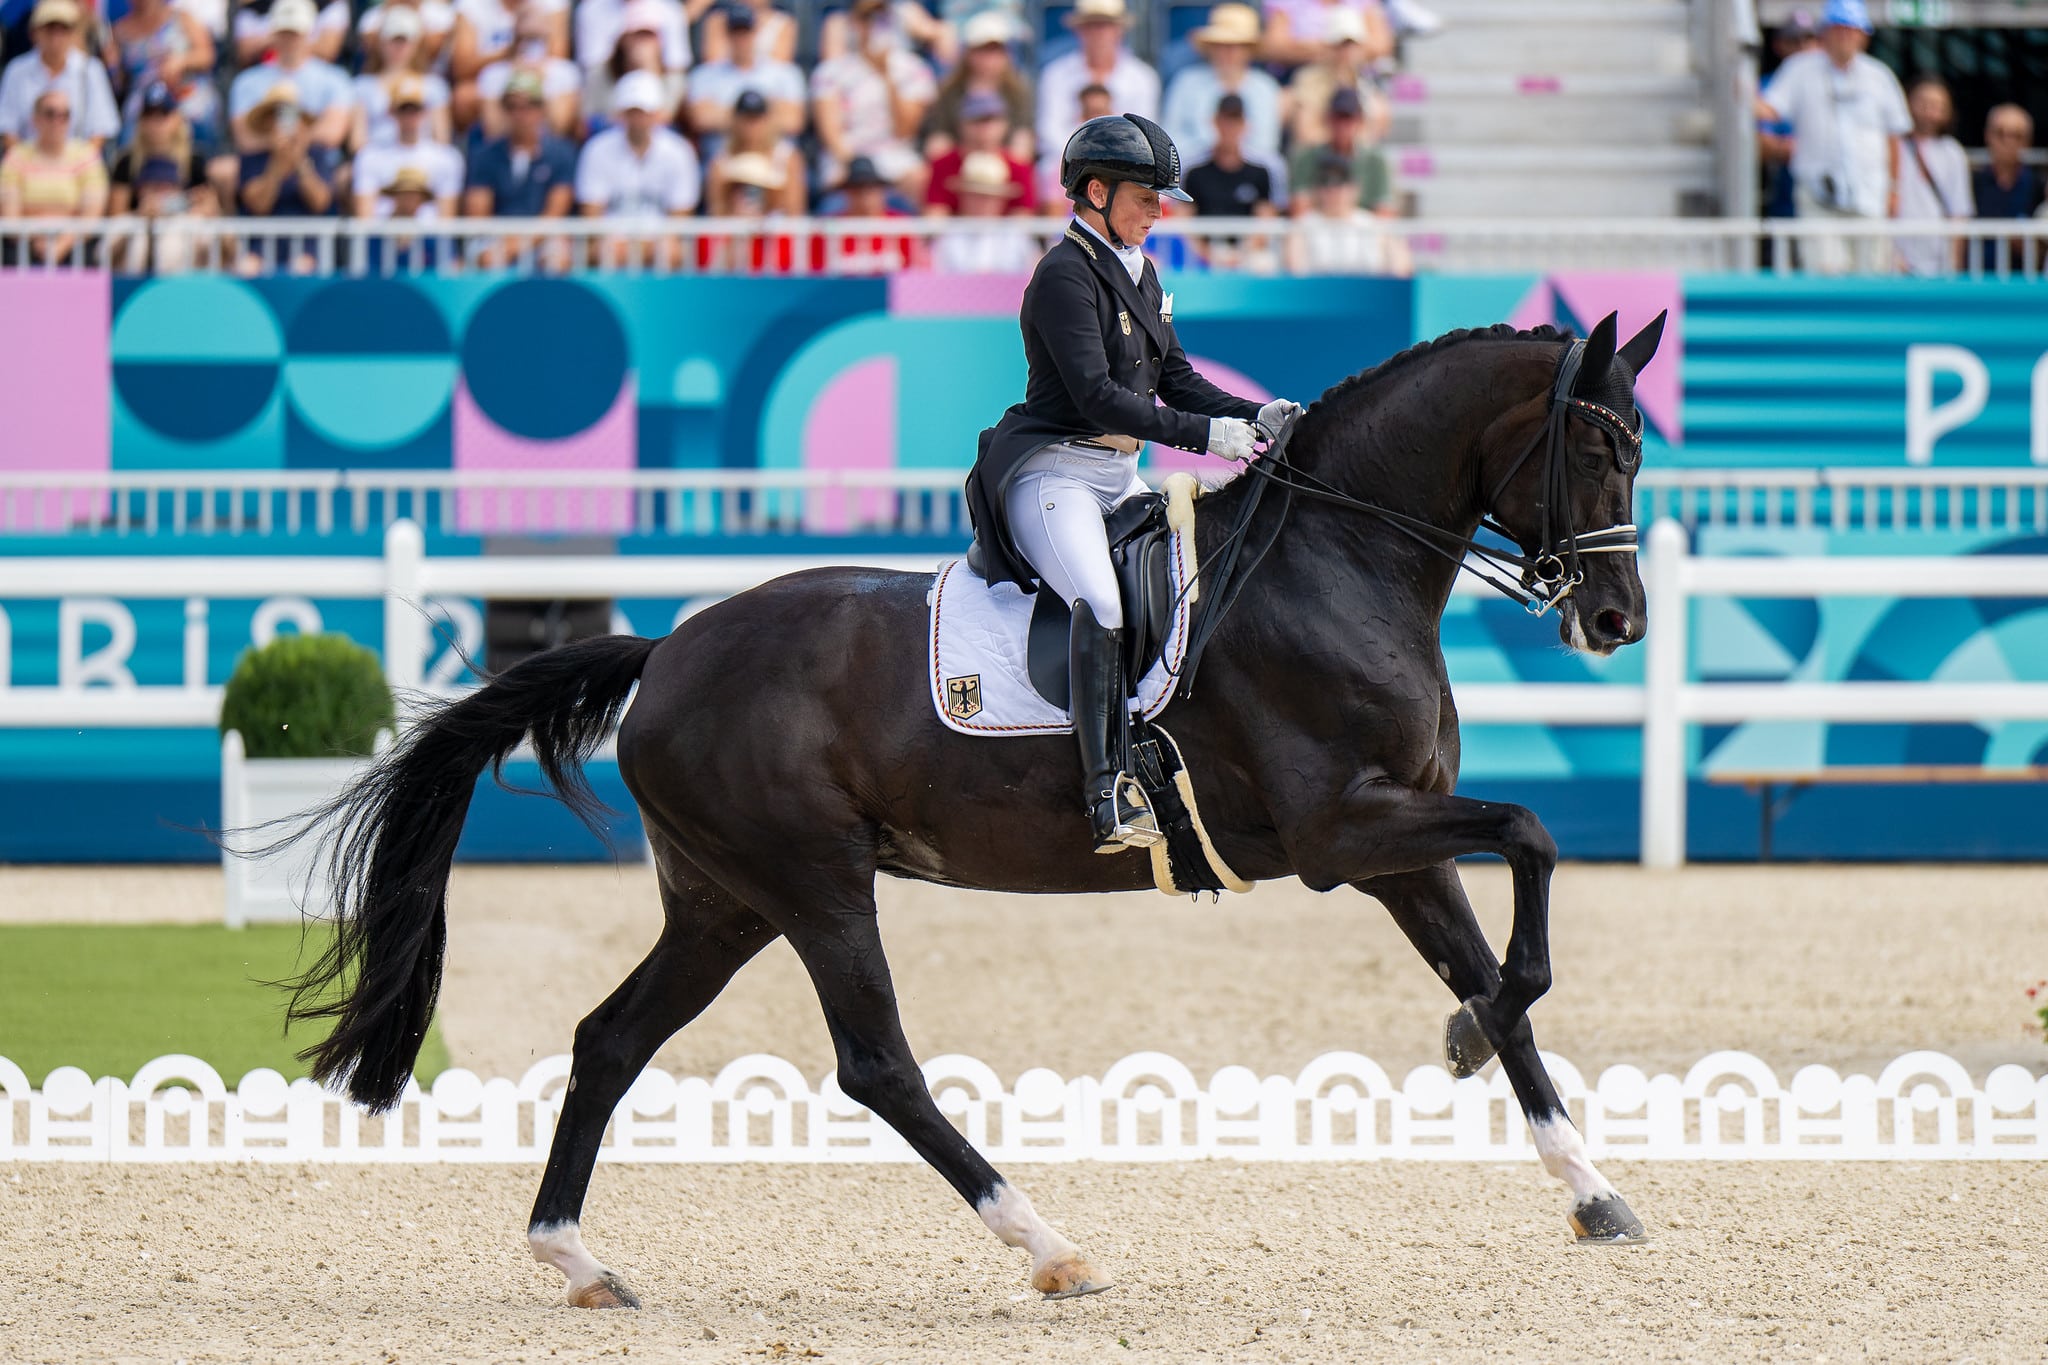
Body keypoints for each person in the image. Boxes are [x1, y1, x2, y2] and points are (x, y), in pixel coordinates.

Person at [964, 112, 1301, 852]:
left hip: (1119, 477)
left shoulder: (1140, 269)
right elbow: (1096, 397)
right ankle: (1104, 791)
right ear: (1095, 191)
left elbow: (1175, 379)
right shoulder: (1062, 274)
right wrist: (1206, 437)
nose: (1157, 212)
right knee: (1103, 603)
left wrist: (1255, 412)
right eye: (1146, 198)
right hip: (1054, 476)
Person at [1757, 0, 1908, 275]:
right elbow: (1770, 110)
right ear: (1824, 33)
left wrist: (1894, 189)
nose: (1844, 36)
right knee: (1824, 274)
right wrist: (1740, 90)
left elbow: (1893, 137)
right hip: (1817, 194)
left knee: (1872, 275)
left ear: (1864, 36)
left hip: (1870, 193)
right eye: (1838, 29)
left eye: (1851, 30)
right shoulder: (1799, 69)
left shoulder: (1880, 76)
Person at [575, 68, 699, 267]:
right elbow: (592, 217)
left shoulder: (679, 152)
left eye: (643, 112)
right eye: (632, 112)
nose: (638, 121)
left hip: (658, 242)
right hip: (613, 242)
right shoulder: (597, 150)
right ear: (621, 114)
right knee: (606, 251)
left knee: (667, 250)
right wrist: (629, 247)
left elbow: (680, 220)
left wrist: (640, 247)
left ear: (657, 113)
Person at [810, 0, 935, 198]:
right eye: (868, 18)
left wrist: (886, 76)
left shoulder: (913, 69)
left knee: (921, 178)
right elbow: (831, 135)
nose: (876, 24)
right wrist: (861, 170)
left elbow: (906, 131)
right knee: (847, 183)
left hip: (895, 158)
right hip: (848, 159)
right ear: (855, 24)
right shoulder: (830, 72)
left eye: (883, 18)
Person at [1035, 0, 1156, 187]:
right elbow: (1049, 132)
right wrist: (1085, 158)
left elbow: (1143, 133)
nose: (1099, 33)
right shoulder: (1055, 74)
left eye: (1105, 25)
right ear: (1079, 30)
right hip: (1067, 162)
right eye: (1092, 25)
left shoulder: (1142, 78)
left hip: (1126, 163)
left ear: (1119, 30)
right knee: (1048, 170)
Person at [463, 69, 575, 267]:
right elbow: (479, 216)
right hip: (497, 236)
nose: (520, 114)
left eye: (529, 106)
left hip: (542, 237)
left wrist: (514, 247)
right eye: (512, 107)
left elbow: (554, 214)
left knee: (557, 259)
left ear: (542, 109)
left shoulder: (561, 153)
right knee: (486, 257)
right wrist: (508, 244)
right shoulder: (485, 155)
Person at [235, 82, 339, 273]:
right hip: (262, 245)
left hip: (308, 245)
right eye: (277, 115)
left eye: (289, 115)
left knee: (300, 268)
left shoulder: (317, 155)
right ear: (267, 122)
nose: (284, 123)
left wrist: (299, 159)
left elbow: (320, 202)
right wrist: (276, 164)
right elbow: (258, 205)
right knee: (246, 268)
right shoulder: (252, 159)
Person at [1161, 3, 1281, 166]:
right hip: (1193, 174)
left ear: (1249, 50)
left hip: (1248, 173)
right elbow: (1171, 141)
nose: (1228, 53)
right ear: (1211, 48)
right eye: (1221, 45)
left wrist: (1228, 158)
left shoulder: (1265, 88)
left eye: (1236, 46)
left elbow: (1266, 145)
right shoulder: (1186, 82)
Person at [227, 0, 354, 151]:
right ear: (272, 34)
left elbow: (332, 134)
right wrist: (279, 141)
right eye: (284, 33)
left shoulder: (336, 78)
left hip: (313, 160)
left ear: (309, 34)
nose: (289, 40)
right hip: (262, 162)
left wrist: (289, 140)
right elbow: (245, 138)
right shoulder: (246, 81)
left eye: (295, 33)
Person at [0, 85, 105, 263]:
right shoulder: (16, 157)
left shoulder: (87, 157)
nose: (57, 121)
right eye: (50, 113)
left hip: (74, 246)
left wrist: (62, 244)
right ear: (35, 119)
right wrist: (38, 242)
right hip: (24, 245)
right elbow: (10, 216)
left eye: (64, 115)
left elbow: (91, 216)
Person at [0, 0, 119, 152]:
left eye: (63, 29)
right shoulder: (16, 70)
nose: (56, 37)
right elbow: (7, 127)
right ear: (34, 33)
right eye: (49, 28)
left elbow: (100, 129)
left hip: (77, 166)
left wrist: (75, 166)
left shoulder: (91, 70)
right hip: (27, 166)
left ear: (73, 33)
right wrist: (26, 165)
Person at [687, 3, 804, 149]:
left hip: (772, 161)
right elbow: (701, 118)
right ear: (727, 35)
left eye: (746, 32)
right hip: (723, 160)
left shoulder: (785, 73)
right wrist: (764, 113)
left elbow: (792, 121)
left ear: (756, 33)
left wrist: (725, 112)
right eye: (736, 32)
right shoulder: (704, 74)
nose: (741, 39)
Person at [922, 8, 1031, 161]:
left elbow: (1022, 130)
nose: (989, 58)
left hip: (1002, 157)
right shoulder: (950, 89)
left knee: (1022, 147)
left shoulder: (1017, 90)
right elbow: (940, 130)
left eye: (995, 50)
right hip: (960, 155)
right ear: (968, 53)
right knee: (937, 147)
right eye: (983, 50)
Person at [351, 74, 464, 217]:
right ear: (391, 112)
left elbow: (446, 220)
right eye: (404, 109)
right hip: (383, 236)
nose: (410, 116)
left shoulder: (447, 158)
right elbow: (364, 218)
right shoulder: (369, 157)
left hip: (430, 237)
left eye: (415, 109)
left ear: (425, 112)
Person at [108, 0, 217, 146]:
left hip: (183, 91)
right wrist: (112, 65)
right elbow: (119, 84)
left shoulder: (181, 18)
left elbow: (207, 55)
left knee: (198, 117)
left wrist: (182, 62)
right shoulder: (119, 32)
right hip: (143, 100)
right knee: (130, 133)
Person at [1286, 146, 1408, 274]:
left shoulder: (1374, 225)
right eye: (1325, 181)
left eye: (1340, 182)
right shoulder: (1303, 226)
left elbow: (1401, 268)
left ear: (1354, 188)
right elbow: (1295, 271)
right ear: (1317, 188)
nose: (1333, 189)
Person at [1893, 76, 1970, 277]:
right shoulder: (1892, 147)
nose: (1930, 111)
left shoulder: (1952, 152)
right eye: (1923, 103)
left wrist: (1954, 264)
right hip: (1896, 253)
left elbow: (1959, 211)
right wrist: (1890, 251)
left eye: (1938, 105)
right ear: (1908, 103)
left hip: (1938, 254)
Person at [1282, 7, 1387, 149]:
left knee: (1379, 108)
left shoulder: (1364, 82)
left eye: (1351, 44)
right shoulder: (1309, 79)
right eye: (1340, 45)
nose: (1346, 51)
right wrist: (1344, 137)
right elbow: (1306, 133)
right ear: (1328, 46)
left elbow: (1368, 135)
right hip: (1317, 158)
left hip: (1349, 157)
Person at [109, 79, 218, 215]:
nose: (155, 123)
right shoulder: (127, 162)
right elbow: (116, 217)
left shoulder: (194, 161)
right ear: (140, 121)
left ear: (176, 118)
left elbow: (212, 210)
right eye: (149, 116)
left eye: (163, 115)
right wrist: (140, 214)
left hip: (184, 230)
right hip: (141, 233)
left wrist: (197, 209)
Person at [474, 1, 581, 137]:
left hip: (549, 153)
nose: (530, 46)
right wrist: (514, 80)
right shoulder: (492, 74)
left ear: (548, 33)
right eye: (524, 38)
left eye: (536, 38)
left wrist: (539, 82)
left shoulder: (565, 73)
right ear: (514, 35)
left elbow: (559, 129)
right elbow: (494, 133)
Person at [351, 6, 452, 148]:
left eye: (405, 41)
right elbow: (357, 142)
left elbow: (441, 141)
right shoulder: (362, 86)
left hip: (422, 163)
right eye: (394, 40)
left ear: (417, 44)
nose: (399, 47)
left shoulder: (435, 86)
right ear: (381, 42)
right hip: (377, 161)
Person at [925, 88, 1033, 215]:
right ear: (961, 124)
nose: (984, 128)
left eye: (991, 119)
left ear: (1005, 124)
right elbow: (935, 217)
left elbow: (1023, 220)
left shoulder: (1019, 167)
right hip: (955, 233)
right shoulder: (943, 164)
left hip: (1004, 234)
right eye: (977, 120)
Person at [582, 0, 684, 131]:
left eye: (650, 36)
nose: (643, 43)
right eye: (638, 35)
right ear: (624, 39)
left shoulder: (672, 78)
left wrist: (650, 70)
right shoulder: (601, 73)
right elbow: (589, 118)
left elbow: (665, 117)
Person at [1289, 87, 1390, 217]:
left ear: (1359, 121)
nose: (1342, 125)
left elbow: (1384, 213)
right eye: (1337, 117)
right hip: (1317, 231)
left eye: (1348, 118)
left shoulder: (1375, 160)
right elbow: (1299, 209)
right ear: (1327, 119)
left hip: (1362, 233)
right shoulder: (1306, 157)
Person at [931, 149, 1038, 272]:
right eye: (975, 196)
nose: (982, 203)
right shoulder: (947, 235)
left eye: (989, 197)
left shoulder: (1016, 236)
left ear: (1001, 200)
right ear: (963, 197)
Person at [818, 152, 920, 272]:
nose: (864, 194)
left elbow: (917, 271)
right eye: (857, 187)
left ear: (882, 190)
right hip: (842, 290)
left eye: (871, 187)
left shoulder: (900, 225)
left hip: (890, 290)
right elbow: (816, 274)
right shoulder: (831, 228)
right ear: (847, 191)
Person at [705, 89, 803, 214]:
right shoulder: (720, 162)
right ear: (735, 120)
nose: (752, 126)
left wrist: (772, 199)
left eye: (757, 119)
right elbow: (717, 212)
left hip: (774, 229)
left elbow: (794, 213)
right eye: (746, 119)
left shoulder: (787, 157)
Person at [1973, 104, 2042, 274]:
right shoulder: (1972, 183)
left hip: (2023, 287)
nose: (2008, 141)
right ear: (1987, 136)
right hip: (1975, 283)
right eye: (2000, 134)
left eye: (2016, 136)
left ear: (2027, 142)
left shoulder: (2038, 187)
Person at [1260, 0, 1392, 71]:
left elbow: (1381, 46)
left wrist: (1308, 48)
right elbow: (1274, 46)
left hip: (1355, 77)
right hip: (1297, 76)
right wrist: (1335, 50)